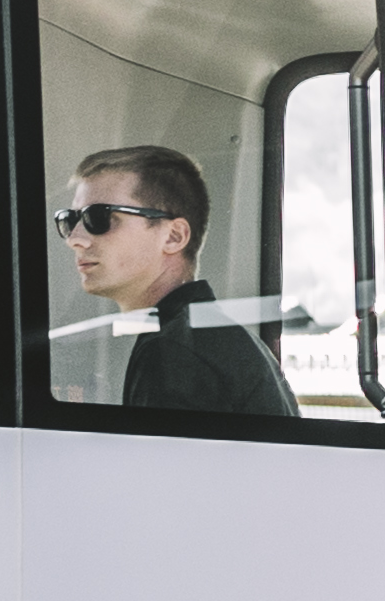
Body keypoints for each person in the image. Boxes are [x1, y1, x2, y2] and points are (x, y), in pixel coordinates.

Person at [64, 146, 293, 416]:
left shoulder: (175, 353)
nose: (74, 239)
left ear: (174, 236)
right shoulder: (197, 336)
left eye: (98, 217)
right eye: (69, 219)